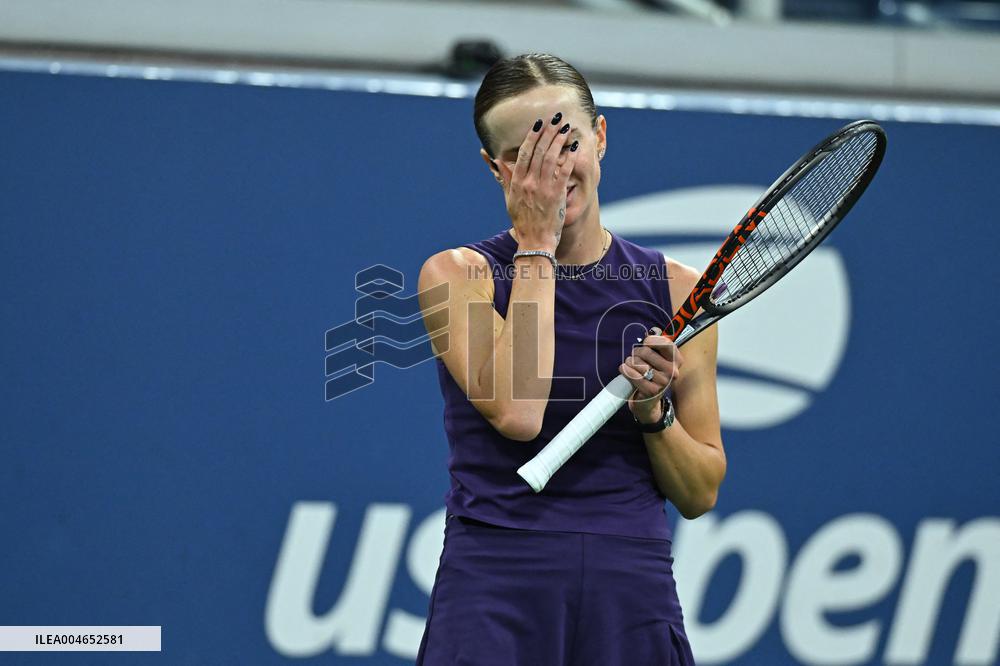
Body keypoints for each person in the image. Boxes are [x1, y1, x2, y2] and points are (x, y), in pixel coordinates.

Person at [415, 53, 725, 666]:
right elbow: (520, 412)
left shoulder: (676, 291)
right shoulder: (458, 275)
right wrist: (536, 246)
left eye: (566, 140)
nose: (552, 170)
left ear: (601, 137)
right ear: (495, 168)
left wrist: (652, 411)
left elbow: (700, 493)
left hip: (628, 594)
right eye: (523, 156)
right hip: (494, 588)